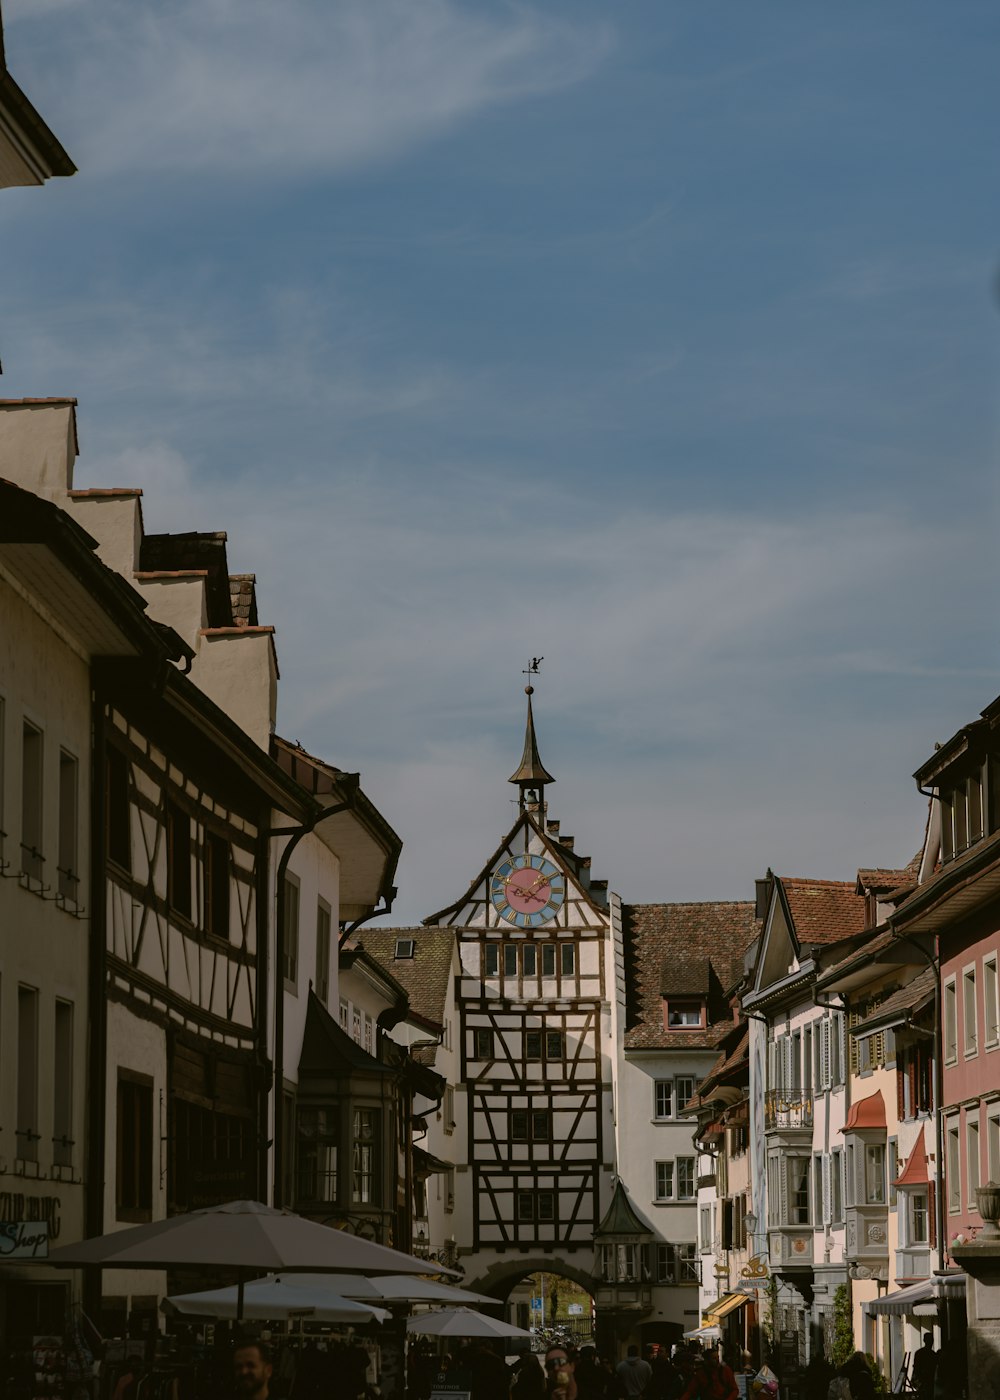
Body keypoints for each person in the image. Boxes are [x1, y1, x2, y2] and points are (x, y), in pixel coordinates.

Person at [911, 1333, 937, 1400]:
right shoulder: (932, 1355)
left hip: (925, 1382)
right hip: (925, 1382)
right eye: (930, 1340)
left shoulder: (920, 1353)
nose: (931, 1342)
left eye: (931, 1340)